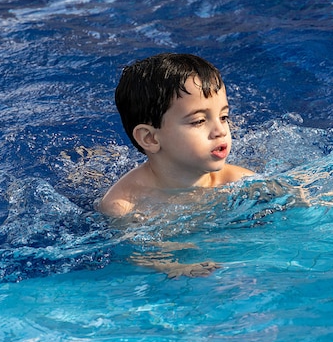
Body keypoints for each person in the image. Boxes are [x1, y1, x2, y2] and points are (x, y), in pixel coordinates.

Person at [99, 53, 255, 277]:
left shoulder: (236, 180)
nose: (220, 131)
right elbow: (136, 252)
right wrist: (174, 267)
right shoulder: (124, 204)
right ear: (150, 138)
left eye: (223, 117)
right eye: (199, 121)